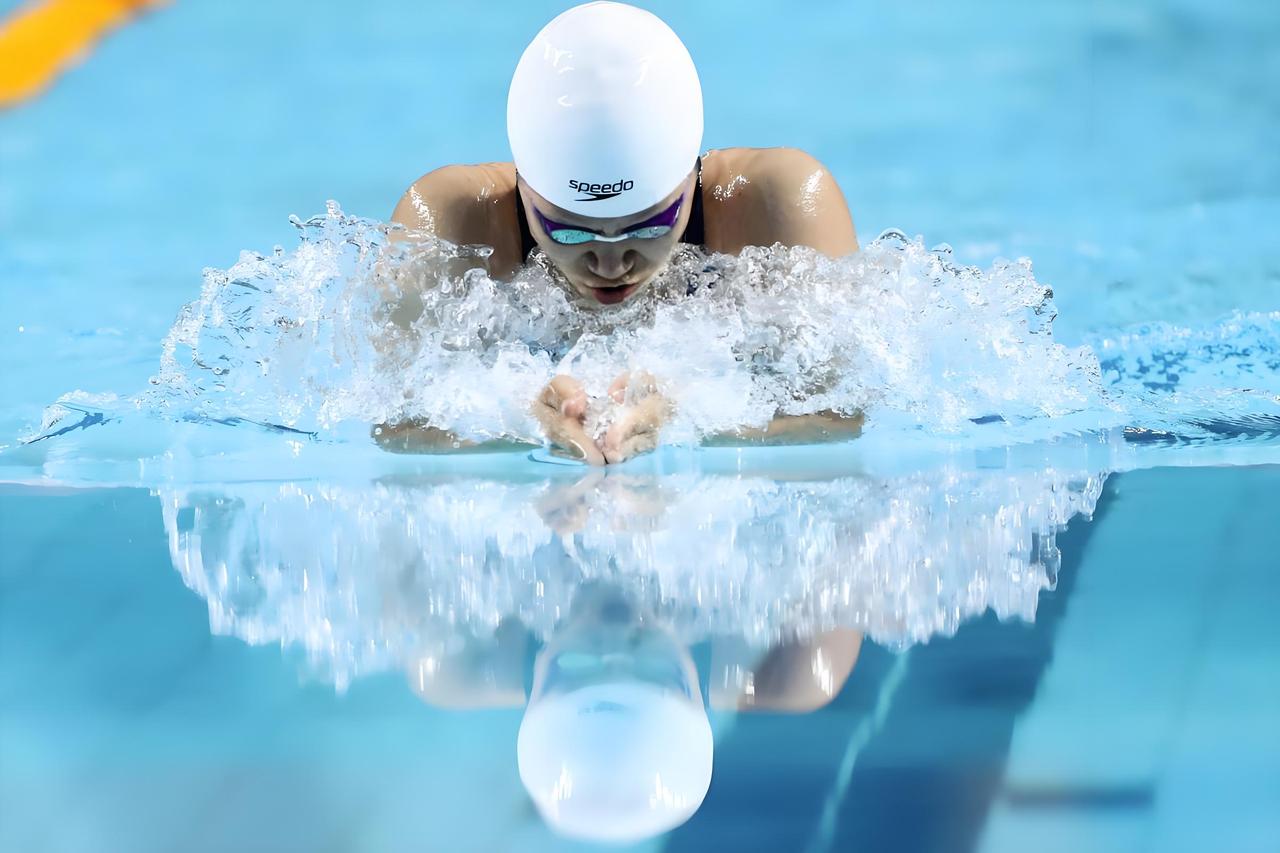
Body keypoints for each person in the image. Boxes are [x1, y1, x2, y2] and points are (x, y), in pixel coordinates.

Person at [381, 2, 862, 464]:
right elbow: (395, 426)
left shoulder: (773, 208)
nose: (610, 265)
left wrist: (686, 415)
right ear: (523, 189)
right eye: (568, 231)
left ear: (688, 185)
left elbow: (840, 415)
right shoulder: (453, 226)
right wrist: (522, 418)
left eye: (650, 225)